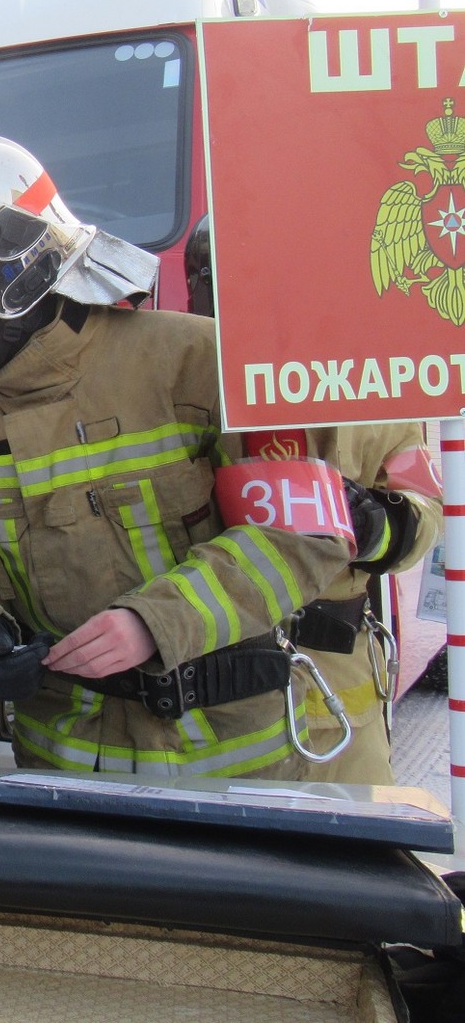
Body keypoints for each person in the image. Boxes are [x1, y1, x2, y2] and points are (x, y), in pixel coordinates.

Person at [0, 134, 354, 778]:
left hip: (235, 761)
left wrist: (155, 622)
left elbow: (300, 534)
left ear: (9, 277)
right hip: (66, 769)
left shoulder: (201, 363)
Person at [184, 222, 444, 782]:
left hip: (339, 701)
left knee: (352, 864)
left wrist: (374, 522)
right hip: (213, 702)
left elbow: (421, 505)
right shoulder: (178, 389)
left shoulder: (367, 385)